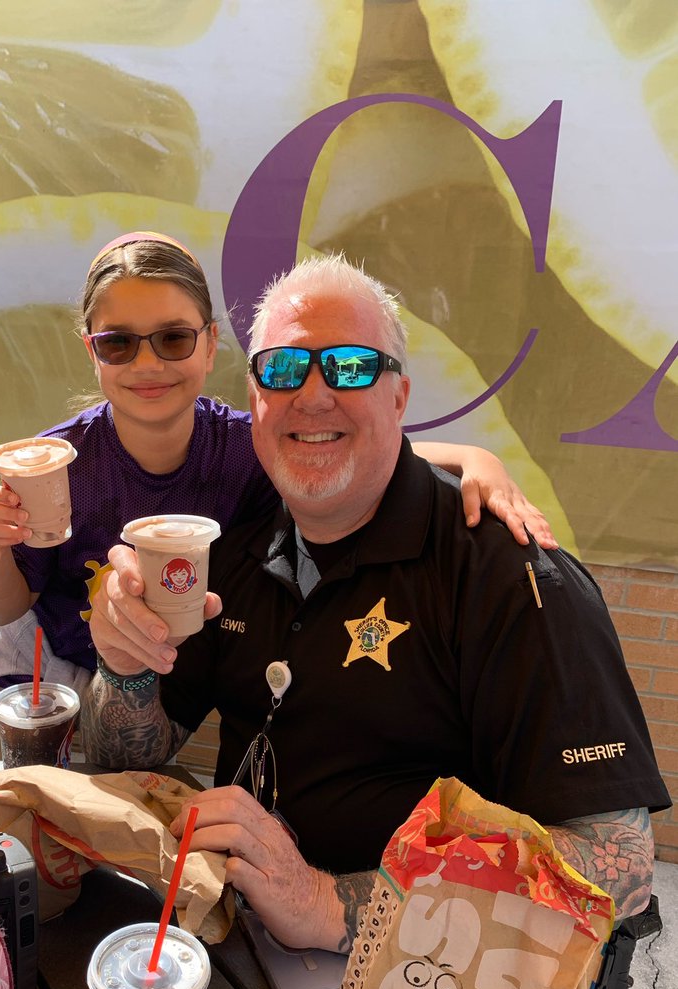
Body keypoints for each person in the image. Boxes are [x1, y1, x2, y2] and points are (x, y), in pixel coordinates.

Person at [80, 253, 669, 953]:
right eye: (284, 369)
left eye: (352, 367)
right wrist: (125, 665)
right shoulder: (231, 555)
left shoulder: (514, 579)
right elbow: (122, 751)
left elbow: (621, 865)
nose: (313, 395)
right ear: (255, 398)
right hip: (232, 948)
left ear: (399, 396)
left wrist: (333, 907)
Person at [0, 233, 556, 759]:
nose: (147, 362)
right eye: (118, 342)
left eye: (172, 338)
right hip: (37, 663)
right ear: (92, 352)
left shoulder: (243, 448)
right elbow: (8, 607)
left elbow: (350, 442)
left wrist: (477, 458)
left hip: (142, 676)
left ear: (209, 345)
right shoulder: (58, 461)